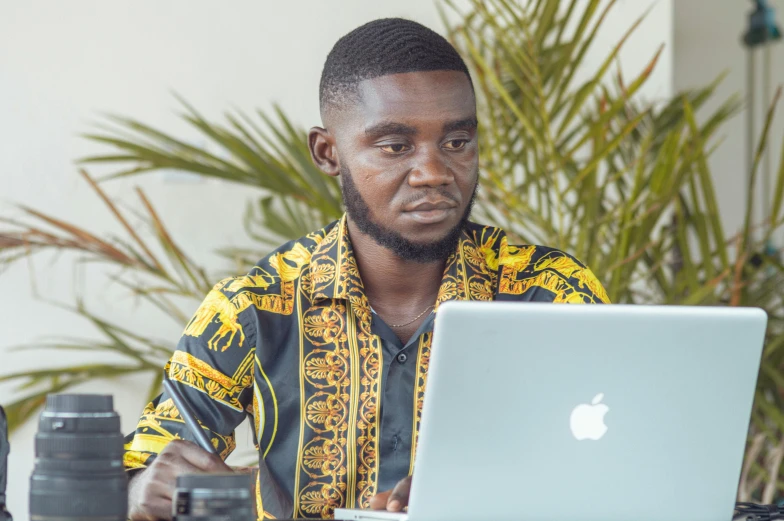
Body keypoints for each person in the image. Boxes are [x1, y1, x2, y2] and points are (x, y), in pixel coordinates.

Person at [124, 17, 610, 521]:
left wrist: (488, 493)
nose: (434, 172)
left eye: (457, 142)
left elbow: (618, 459)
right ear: (327, 152)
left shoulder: (551, 295)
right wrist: (140, 491)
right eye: (395, 146)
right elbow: (147, 465)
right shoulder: (253, 307)